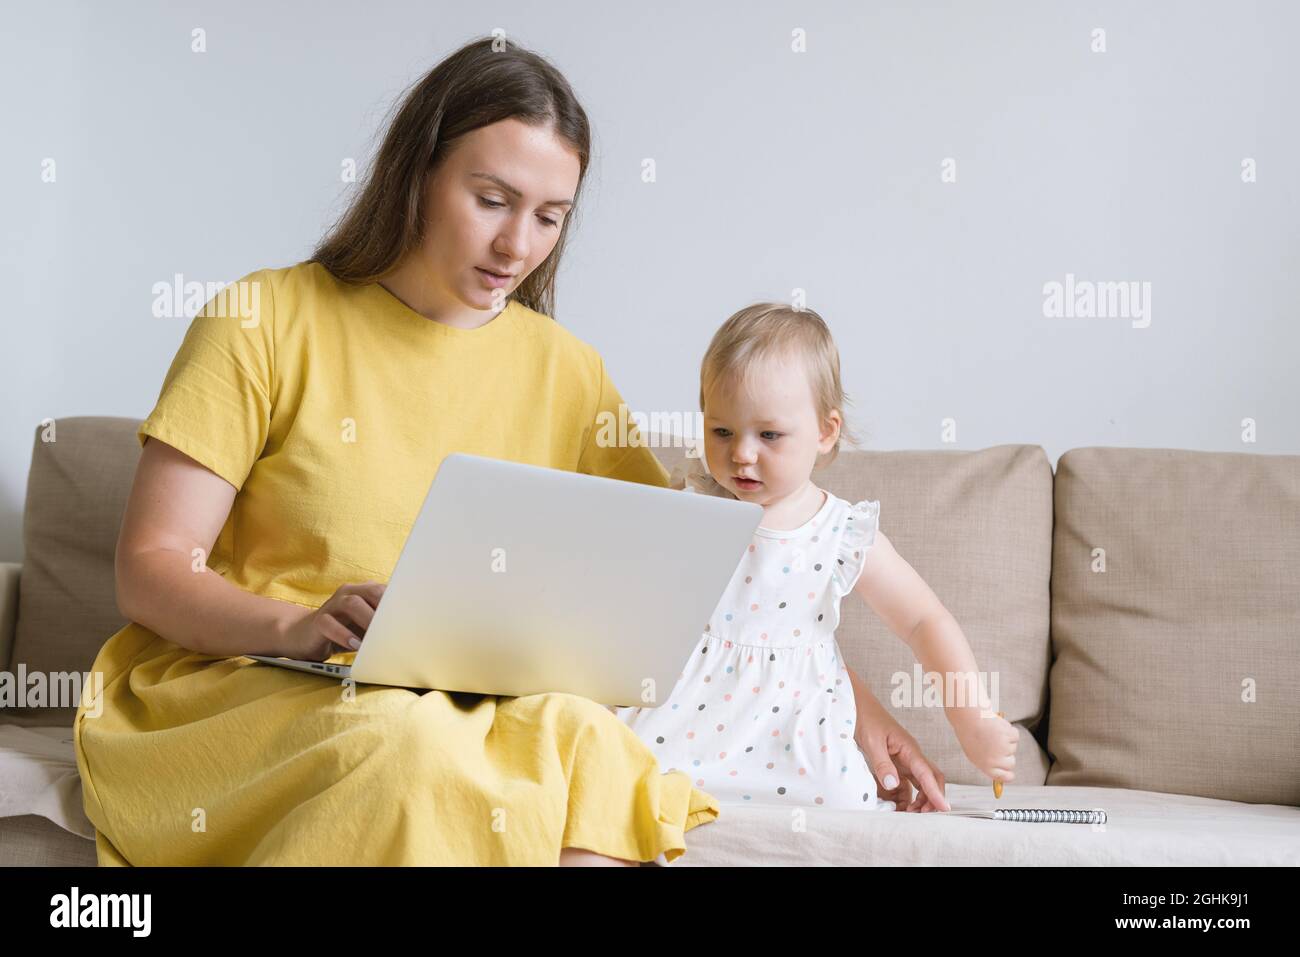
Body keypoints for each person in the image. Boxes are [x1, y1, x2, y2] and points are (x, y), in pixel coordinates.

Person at [72, 36, 717, 866]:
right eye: (492, 199)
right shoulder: (262, 320)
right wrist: (295, 624)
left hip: (460, 702)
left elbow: (657, 571)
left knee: (589, 745)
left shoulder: (568, 369)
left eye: (550, 217)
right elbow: (151, 565)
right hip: (245, 682)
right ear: (417, 173)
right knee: (405, 743)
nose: (519, 246)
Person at [613, 303, 1019, 809]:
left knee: (842, 799)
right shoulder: (690, 502)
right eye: (722, 431)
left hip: (796, 729)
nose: (741, 453)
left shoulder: (841, 532)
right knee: (622, 778)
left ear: (825, 432)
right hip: (686, 715)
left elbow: (923, 619)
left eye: (768, 435)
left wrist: (972, 717)